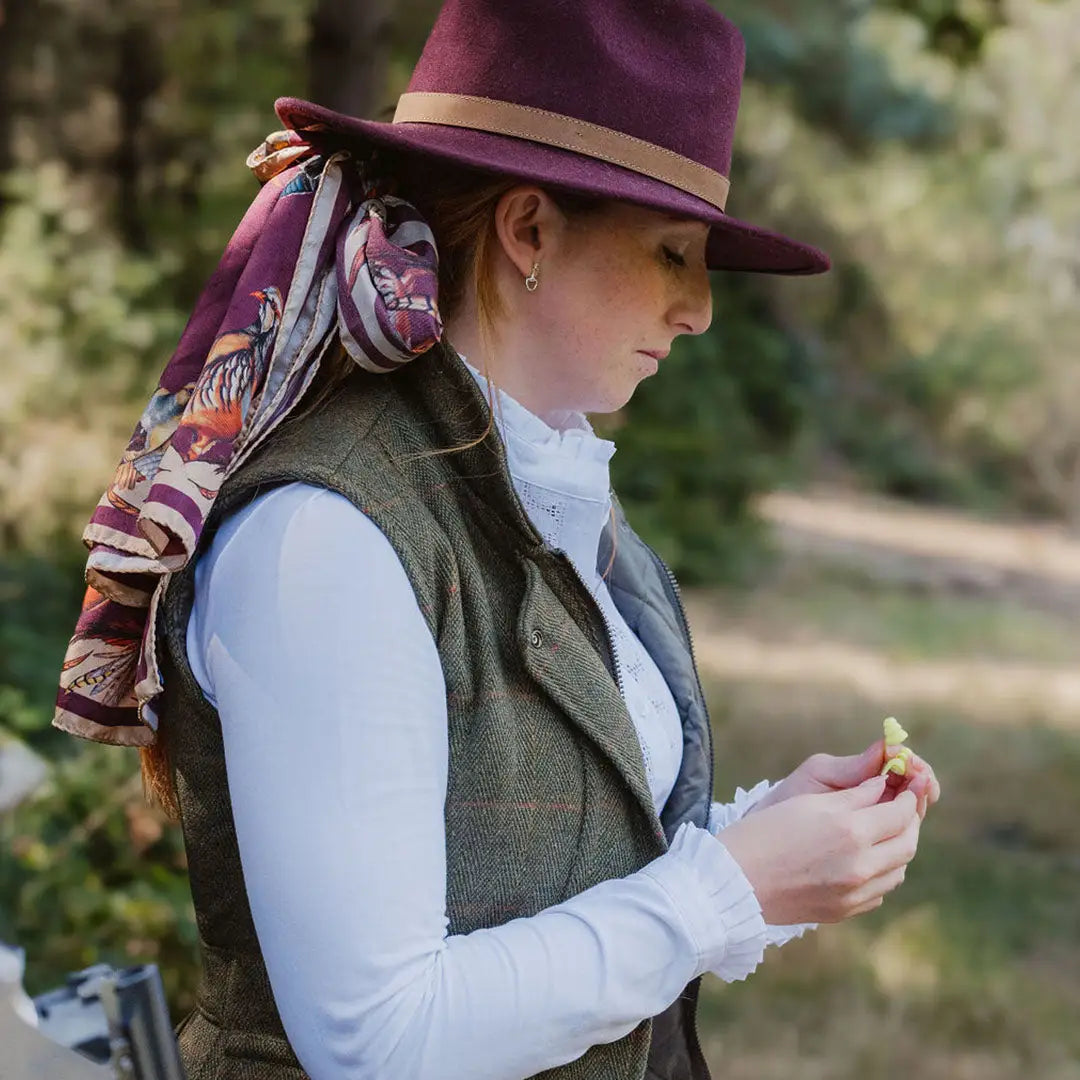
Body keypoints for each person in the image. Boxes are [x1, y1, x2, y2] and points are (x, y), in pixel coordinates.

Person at [53, 1, 941, 1078]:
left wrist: (774, 838)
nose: (700, 308)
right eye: (672, 253)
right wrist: (730, 888)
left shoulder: (558, 497)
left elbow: (559, 860)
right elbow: (378, 1041)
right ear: (528, 231)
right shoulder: (323, 538)